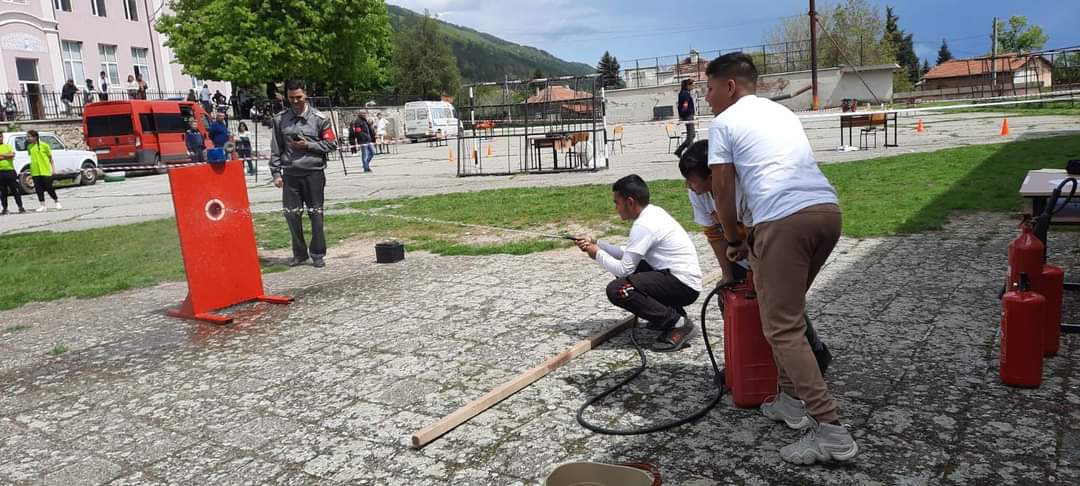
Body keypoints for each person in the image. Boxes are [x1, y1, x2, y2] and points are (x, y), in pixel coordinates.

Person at [705, 52, 855, 465]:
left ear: (730, 86)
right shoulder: (782, 114)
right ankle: (789, 401)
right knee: (784, 315)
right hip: (826, 213)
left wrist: (733, 238)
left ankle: (831, 431)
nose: (708, 98)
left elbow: (722, 191)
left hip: (783, 222)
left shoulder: (725, 123)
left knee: (783, 328)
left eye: (710, 89)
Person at [679, 138, 832, 370]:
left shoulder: (747, 189)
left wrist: (757, 271)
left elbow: (758, 238)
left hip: (770, 251)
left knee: (781, 308)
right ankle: (743, 362)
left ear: (713, 176)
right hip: (740, 255)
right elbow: (714, 236)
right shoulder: (699, 195)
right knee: (728, 300)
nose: (688, 186)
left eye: (691, 180)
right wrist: (727, 274)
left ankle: (815, 356)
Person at [575, 174, 702, 352]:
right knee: (634, 270)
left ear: (630, 202)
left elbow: (624, 270)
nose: (615, 208)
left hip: (683, 286)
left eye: (616, 203)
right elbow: (627, 253)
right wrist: (597, 244)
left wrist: (596, 253)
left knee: (618, 289)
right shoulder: (652, 213)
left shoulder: (644, 225)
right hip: (678, 279)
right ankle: (672, 315)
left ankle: (677, 323)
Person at [269, 80, 337, 268]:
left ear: (305, 94)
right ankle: (299, 254)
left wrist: (309, 145)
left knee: (316, 214)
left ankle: (317, 253)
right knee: (291, 215)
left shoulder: (319, 119)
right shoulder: (280, 120)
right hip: (290, 174)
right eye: (291, 98)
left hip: (313, 173)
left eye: (298, 97)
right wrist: (276, 173)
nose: (295, 101)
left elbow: (332, 144)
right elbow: (276, 148)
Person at [26, 130, 60, 212]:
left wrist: (53, 169)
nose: (28, 138)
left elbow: (50, 158)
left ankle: (56, 201)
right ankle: (42, 205)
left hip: (45, 170)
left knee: (49, 187)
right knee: (38, 189)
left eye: (29, 137)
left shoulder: (44, 145)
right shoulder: (29, 147)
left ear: (35, 137)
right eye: (27, 137)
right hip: (35, 171)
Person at [0, 131, 24, 214]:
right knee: (3, 192)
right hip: (0, 173)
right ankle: (5, 208)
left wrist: (2, 155)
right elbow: (9, 156)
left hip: (10, 171)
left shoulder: (8, 146)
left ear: (2, 137)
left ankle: (20, 207)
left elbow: (12, 155)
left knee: (15, 190)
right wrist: (7, 155)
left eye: (0, 136)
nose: (0, 138)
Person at [673, 78, 696, 157]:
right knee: (691, 135)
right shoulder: (685, 94)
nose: (693, 87)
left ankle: (679, 150)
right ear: (687, 86)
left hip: (688, 116)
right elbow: (685, 105)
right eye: (692, 85)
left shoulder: (682, 93)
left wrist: (681, 115)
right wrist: (684, 115)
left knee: (692, 135)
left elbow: (680, 105)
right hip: (688, 116)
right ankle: (690, 153)